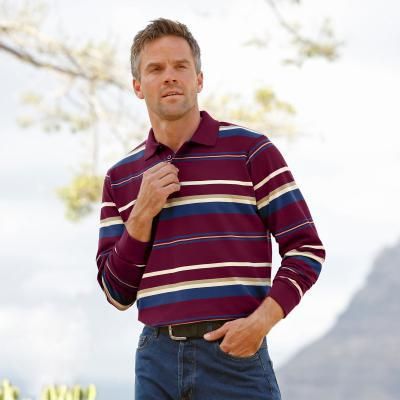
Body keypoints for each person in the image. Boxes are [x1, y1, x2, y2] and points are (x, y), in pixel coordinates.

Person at [96, 18, 325, 400]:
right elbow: (116, 293)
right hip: (156, 362)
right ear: (138, 86)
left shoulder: (251, 151)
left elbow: (306, 249)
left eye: (180, 66)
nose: (170, 76)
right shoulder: (121, 177)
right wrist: (141, 215)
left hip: (235, 357)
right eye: (156, 69)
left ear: (199, 79)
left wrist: (261, 322)